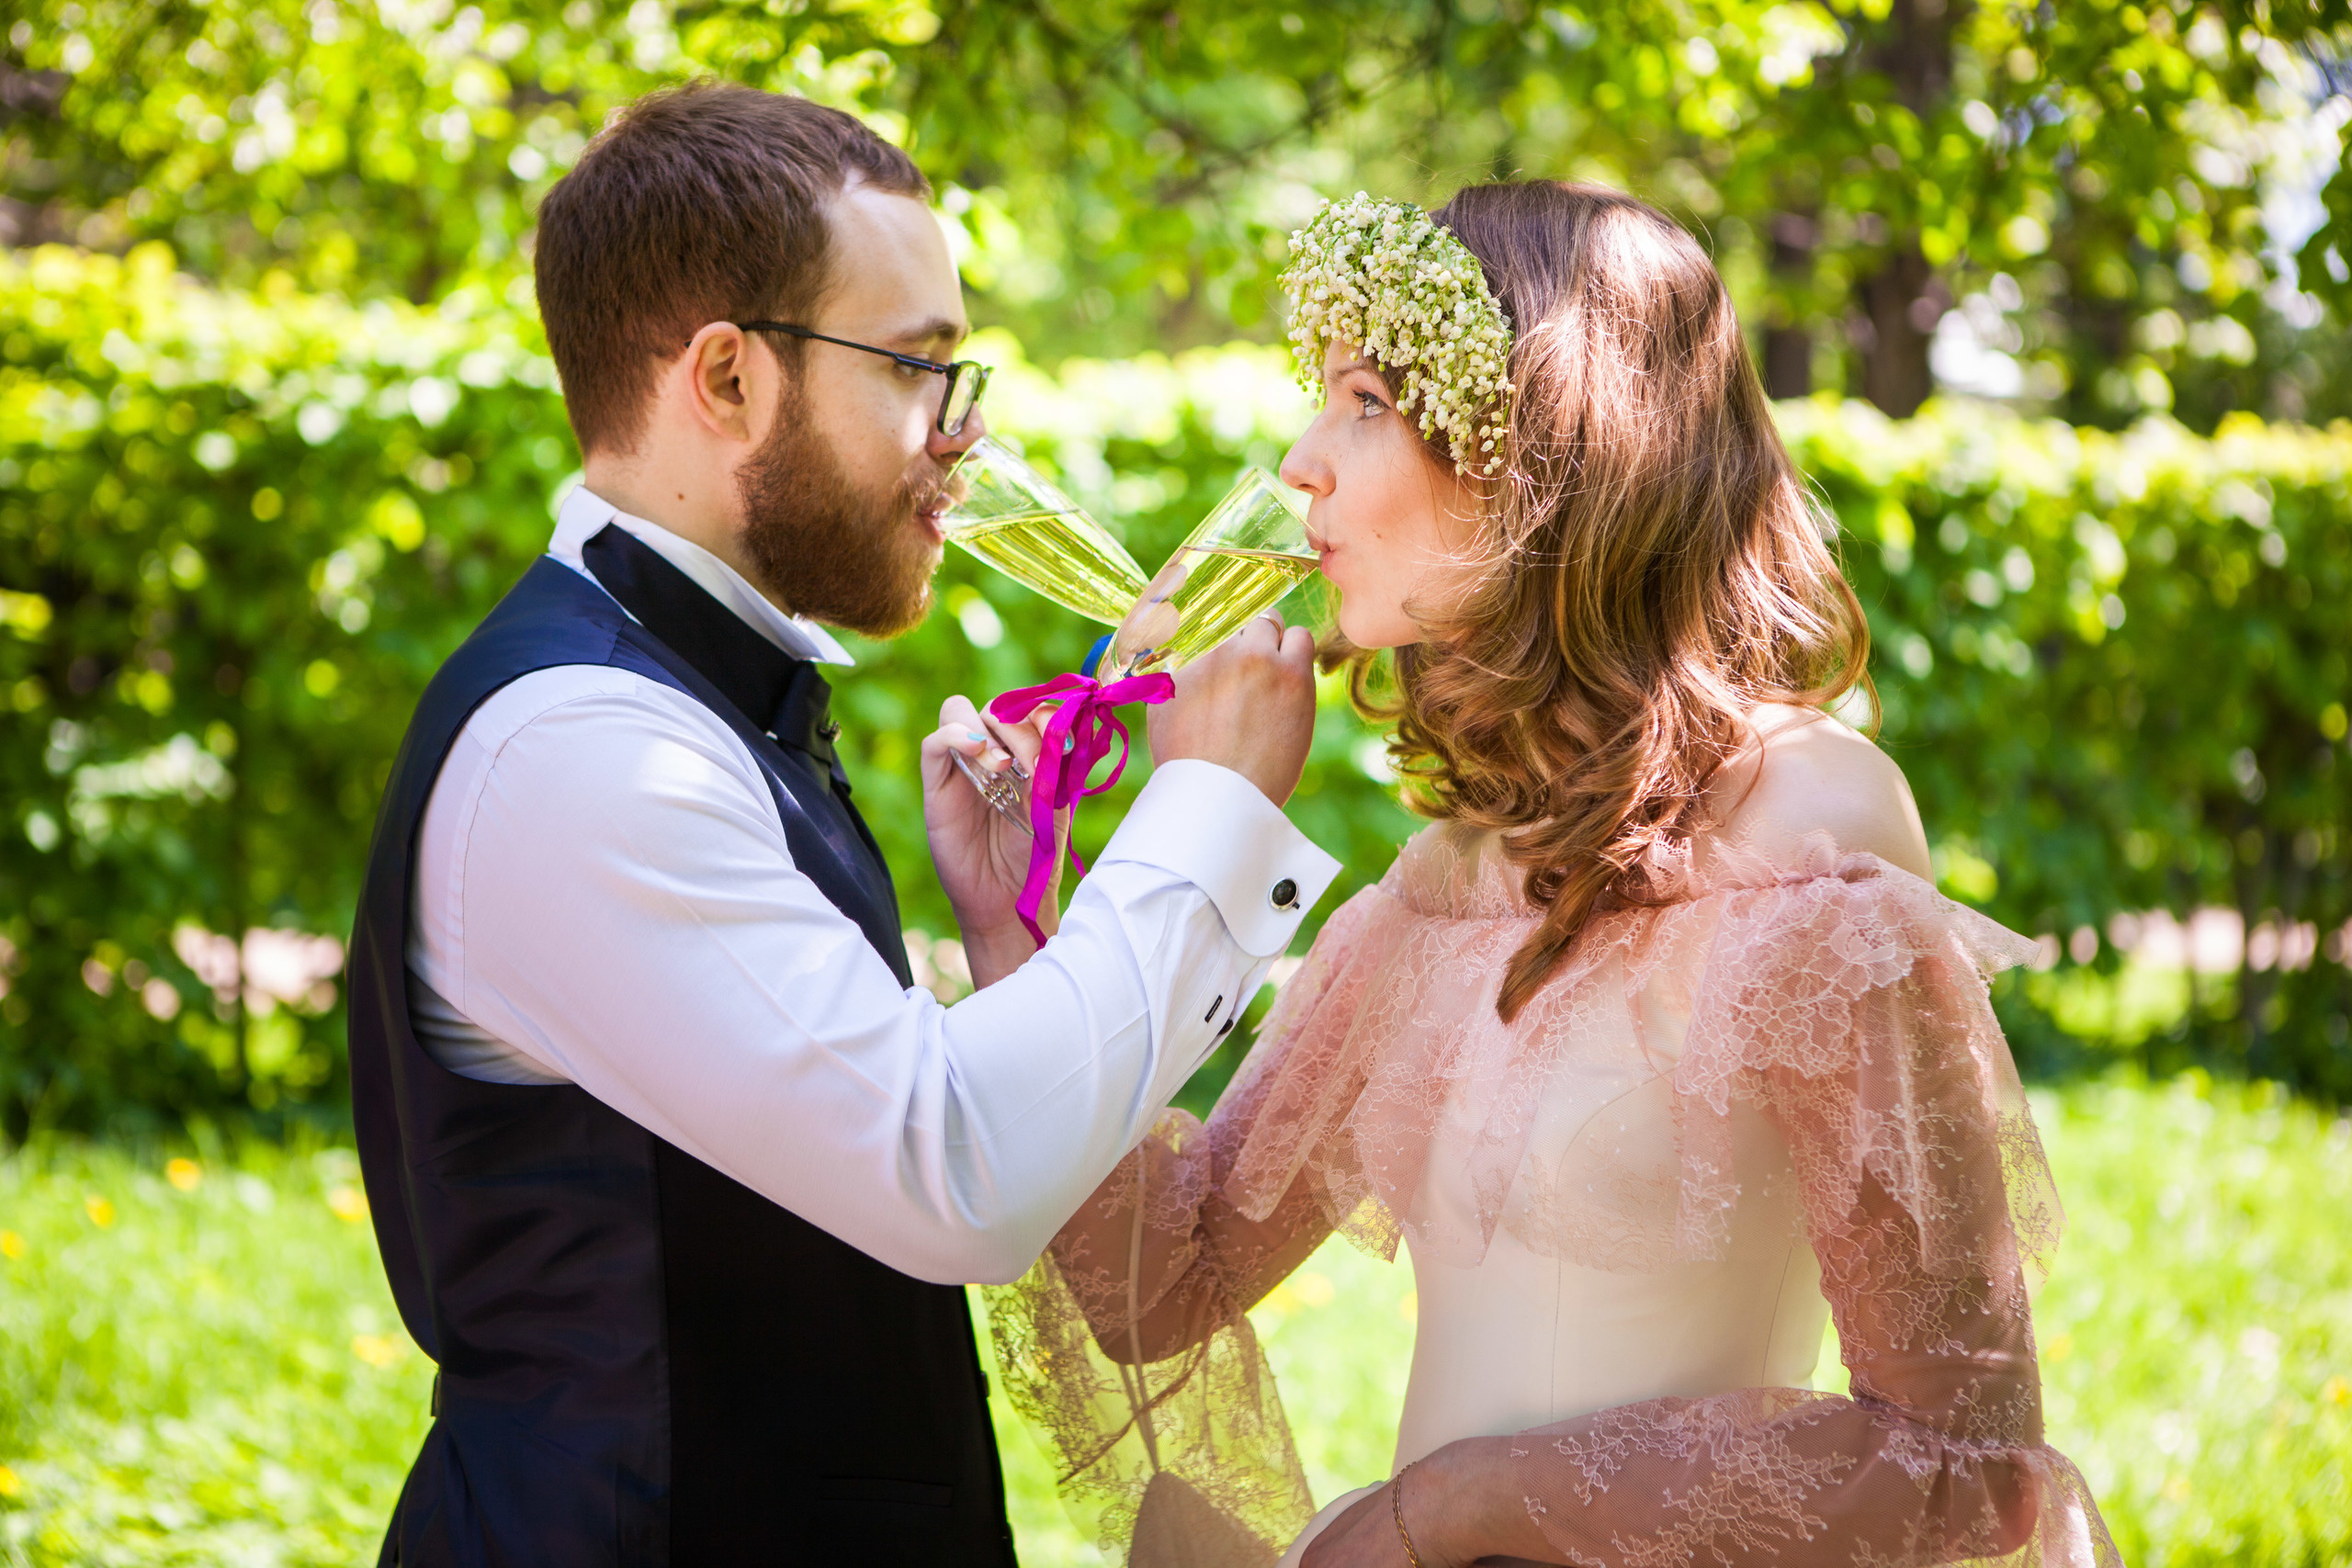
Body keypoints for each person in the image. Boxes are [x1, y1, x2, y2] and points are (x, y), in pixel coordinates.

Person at [986, 183, 2122, 1568]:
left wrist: (1446, 1511)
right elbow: (1166, 1284)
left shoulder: (1810, 836)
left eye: (1362, 402)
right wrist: (1021, 916)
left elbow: (1964, 1462)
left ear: (1540, 439)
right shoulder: (1442, 888)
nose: (1298, 462)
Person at [344, 82, 1340, 1565]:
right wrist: (1203, 809)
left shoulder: (675, 701)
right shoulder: (581, 750)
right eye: (918, 368)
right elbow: (954, 1173)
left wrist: (1010, 932)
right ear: (729, 381)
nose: (967, 432)